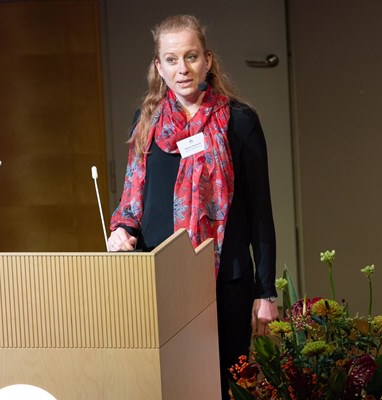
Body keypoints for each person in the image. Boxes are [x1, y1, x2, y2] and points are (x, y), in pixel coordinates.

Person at [106, 14, 278, 399]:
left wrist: (265, 292)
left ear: (208, 60)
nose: (182, 69)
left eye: (191, 56)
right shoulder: (146, 121)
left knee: (220, 386)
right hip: (160, 280)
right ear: (158, 66)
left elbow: (260, 212)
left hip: (226, 282)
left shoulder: (239, 121)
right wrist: (122, 230)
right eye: (171, 59)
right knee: (167, 385)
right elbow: (135, 201)